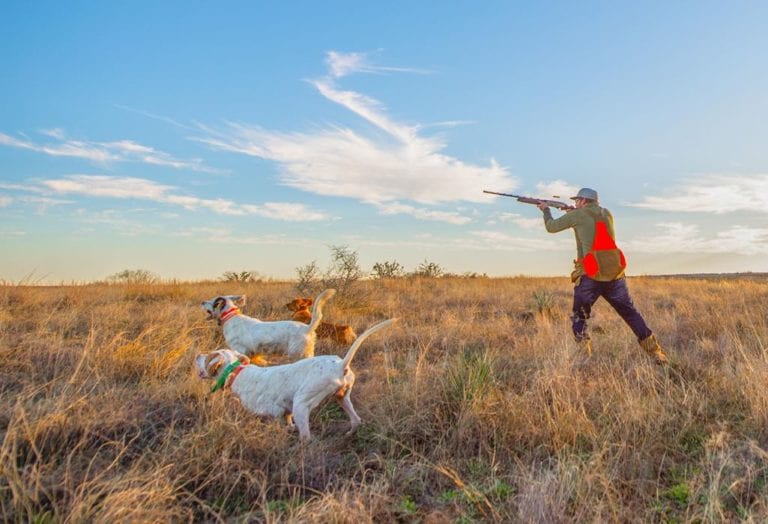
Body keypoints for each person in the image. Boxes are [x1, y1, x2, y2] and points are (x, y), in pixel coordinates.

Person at [536, 187, 668, 363]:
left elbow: (551, 227)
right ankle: (656, 353)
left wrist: (546, 210)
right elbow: (590, 225)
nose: (575, 203)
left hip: (591, 274)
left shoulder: (577, 215)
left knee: (579, 316)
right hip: (615, 273)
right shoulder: (607, 213)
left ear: (583, 201)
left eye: (577, 200)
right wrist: (574, 213)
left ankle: (584, 357)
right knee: (630, 313)